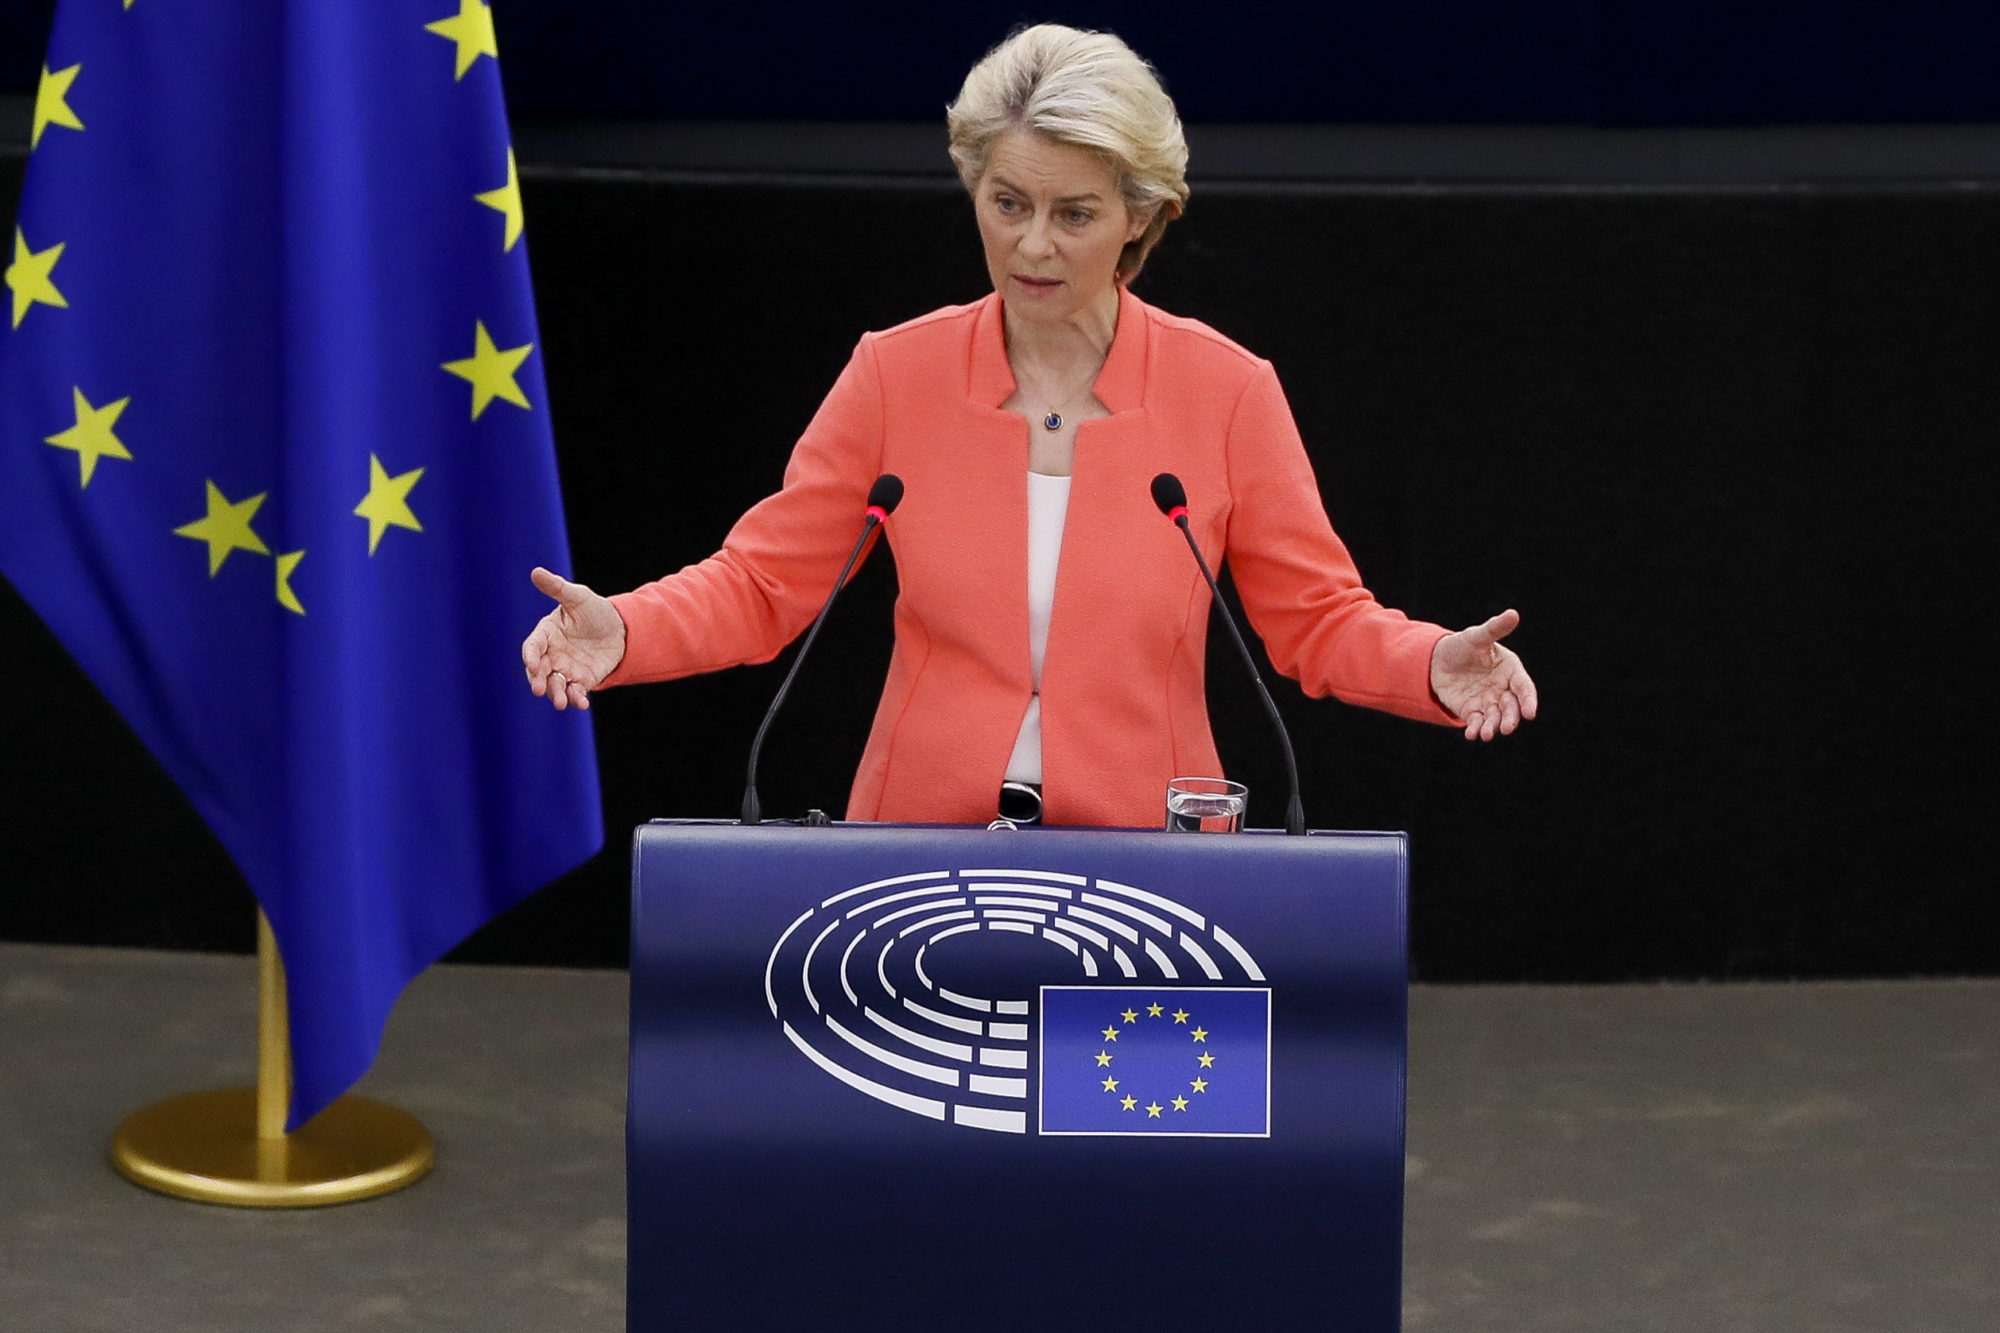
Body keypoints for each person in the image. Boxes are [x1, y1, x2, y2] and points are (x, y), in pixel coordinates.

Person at [520, 23, 1537, 828]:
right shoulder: (894, 374)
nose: (1030, 244)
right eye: (1005, 202)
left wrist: (1427, 665)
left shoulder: (1224, 390)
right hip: (916, 859)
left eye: (1074, 213)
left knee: (1122, 1103)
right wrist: (627, 628)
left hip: (1155, 867)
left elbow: (1313, 621)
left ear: (1140, 215)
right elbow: (762, 583)